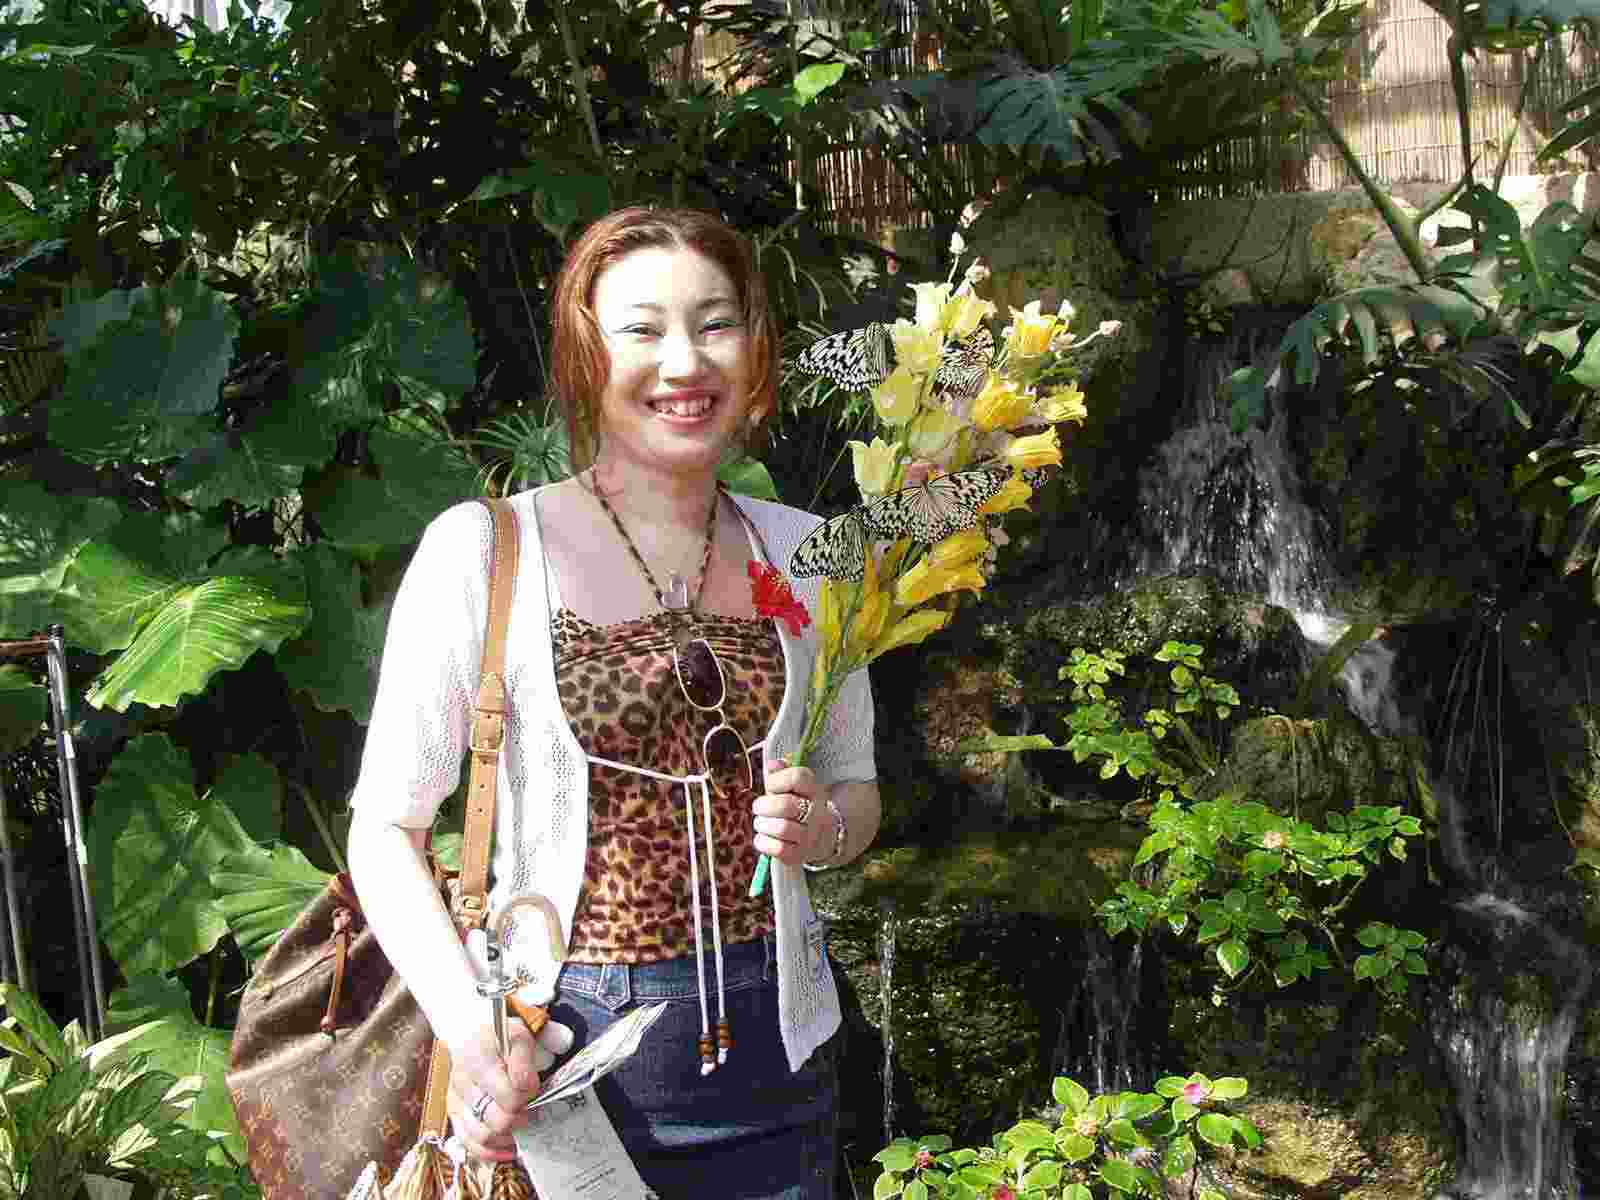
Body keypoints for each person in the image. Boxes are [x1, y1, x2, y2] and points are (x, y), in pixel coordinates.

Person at [345, 206, 881, 1199]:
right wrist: (474, 1029)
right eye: (642, 329)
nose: (685, 362)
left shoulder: (811, 556)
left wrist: (823, 829)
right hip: (559, 1060)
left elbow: (856, 791)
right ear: (585, 354)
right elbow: (385, 830)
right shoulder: (484, 553)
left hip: (782, 1056)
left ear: (755, 349)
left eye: (715, 324)